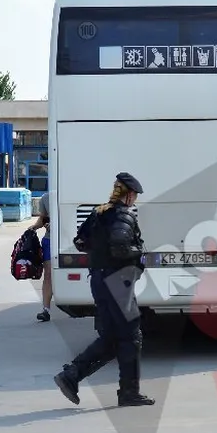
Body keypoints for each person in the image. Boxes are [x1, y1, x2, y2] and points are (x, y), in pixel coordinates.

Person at [53, 172, 154, 407]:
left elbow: (80, 241)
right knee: (131, 336)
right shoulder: (123, 215)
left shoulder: (98, 213)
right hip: (118, 282)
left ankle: (71, 375)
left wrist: (100, 252)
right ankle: (129, 393)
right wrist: (139, 253)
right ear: (129, 195)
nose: (135, 200)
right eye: (135, 196)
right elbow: (120, 246)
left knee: (111, 337)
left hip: (99, 280)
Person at [31, 192, 53, 323]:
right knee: (48, 274)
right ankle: (46, 310)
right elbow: (43, 219)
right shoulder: (46, 198)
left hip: (68, 239)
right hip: (49, 240)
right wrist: (33, 227)